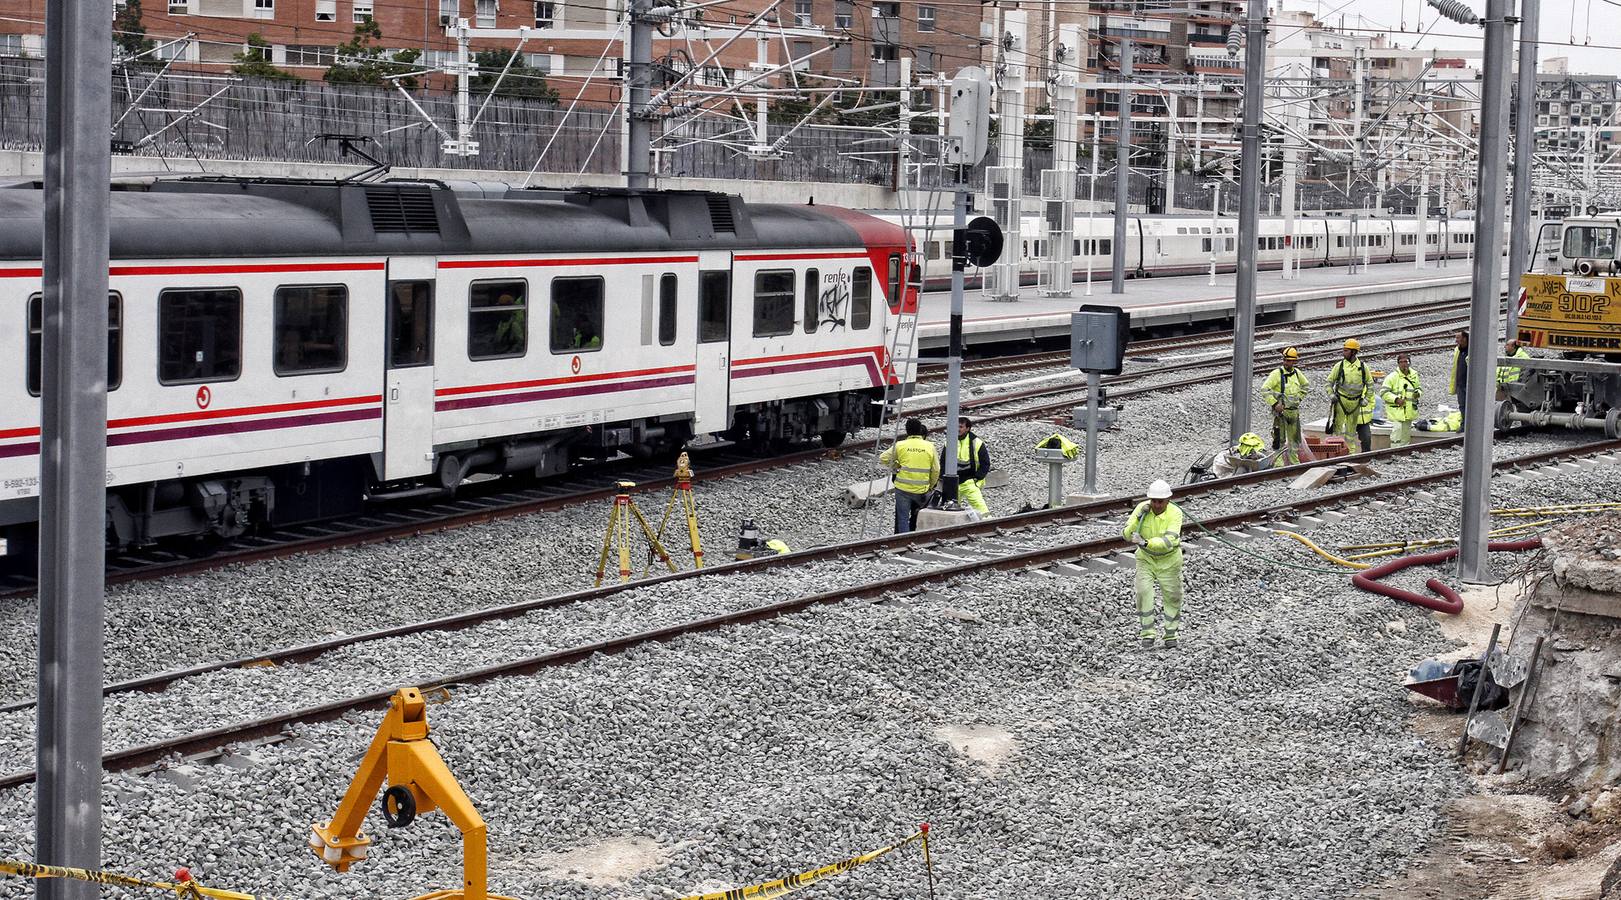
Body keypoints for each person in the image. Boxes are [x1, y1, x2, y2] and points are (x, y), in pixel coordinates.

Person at [1122, 479, 1185, 649]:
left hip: (1169, 560)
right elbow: (1126, 534)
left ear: (1168, 500)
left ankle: (1171, 634)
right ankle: (1147, 634)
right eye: (1153, 501)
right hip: (1146, 559)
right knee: (1143, 593)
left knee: (1173, 596)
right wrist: (1137, 518)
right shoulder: (1142, 509)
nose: (1156, 505)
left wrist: (1146, 542)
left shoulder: (1175, 513)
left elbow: (1170, 540)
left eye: (1160, 501)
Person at [879, 418, 939, 534]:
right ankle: (916, 538)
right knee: (917, 517)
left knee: (902, 519)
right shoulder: (929, 446)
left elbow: (883, 458)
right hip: (922, 489)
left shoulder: (900, 445)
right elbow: (936, 470)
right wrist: (930, 485)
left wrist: (897, 466)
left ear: (907, 431)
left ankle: (904, 542)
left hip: (902, 489)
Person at [1262, 346, 1310, 464]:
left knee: (1294, 441)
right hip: (1281, 414)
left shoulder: (1297, 374)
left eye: (1289, 360)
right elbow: (1264, 389)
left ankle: (1294, 464)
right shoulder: (1276, 374)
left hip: (1293, 412)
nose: (1286, 363)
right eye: (1285, 360)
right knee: (1280, 440)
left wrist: (1299, 398)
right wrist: (1274, 404)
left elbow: (1305, 386)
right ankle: (1278, 466)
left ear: (1294, 361)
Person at [1327, 339, 1374, 454]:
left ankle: (1350, 454)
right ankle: (1336, 453)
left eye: (1346, 350)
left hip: (1355, 403)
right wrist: (1331, 395)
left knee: (1351, 432)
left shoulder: (1363, 367)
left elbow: (1370, 385)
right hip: (1341, 402)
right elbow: (1328, 383)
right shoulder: (1339, 366)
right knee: (1337, 429)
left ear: (1353, 352)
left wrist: (1366, 399)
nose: (1344, 352)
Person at [1380, 353, 1423, 447]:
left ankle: (1403, 451)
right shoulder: (1392, 377)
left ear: (1409, 363)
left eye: (1406, 361)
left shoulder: (1414, 375)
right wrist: (1396, 399)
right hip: (1396, 410)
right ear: (1398, 364)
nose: (1403, 364)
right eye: (1401, 362)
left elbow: (1419, 388)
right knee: (1397, 430)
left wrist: (1418, 393)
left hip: (1409, 410)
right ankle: (1394, 450)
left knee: (1406, 432)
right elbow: (1383, 393)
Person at [954, 417, 992, 517]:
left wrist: (977, 477)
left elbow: (985, 463)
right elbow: (943, 461)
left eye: (961, 427)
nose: (958, 429)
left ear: (968, 428)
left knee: (981, 509)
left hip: (969, 482)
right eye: (957, 426)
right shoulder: (950, 441)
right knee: (951, 510)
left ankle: (988, 525)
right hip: (953, 482)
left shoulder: (977, 442)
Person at [1449, 330, 1469, 419]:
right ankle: (1464, 424)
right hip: (1460, 384)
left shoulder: (1472, 350)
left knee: (1471, 406)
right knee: (1462, 405)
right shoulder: (1458, 350)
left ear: (1465, 339)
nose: (1456, 340)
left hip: (1469, 384)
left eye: (1458, 338)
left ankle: (1471, 425)